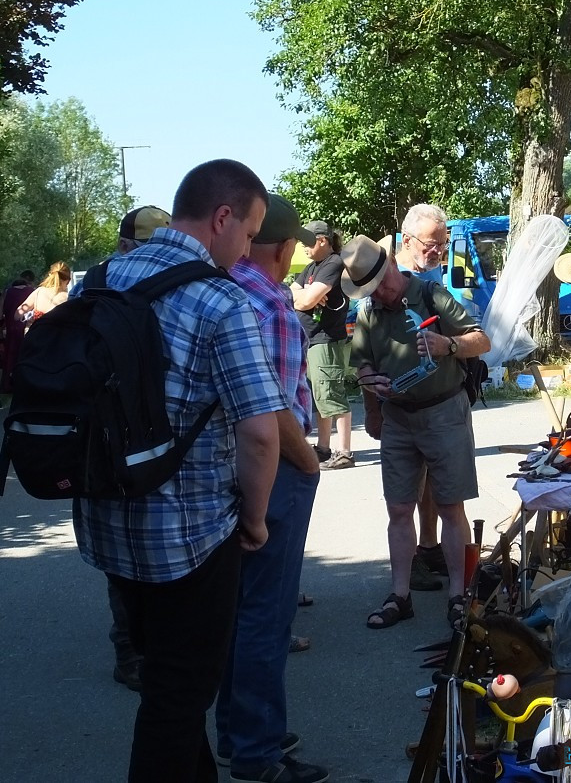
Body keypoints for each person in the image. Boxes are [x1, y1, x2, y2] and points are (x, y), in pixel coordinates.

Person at [71, 159, 287, 782]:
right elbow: (259, 431)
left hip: (109, 518)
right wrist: (253, 520)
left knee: (167, 683)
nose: (247, 249)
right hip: (189, 535)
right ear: (223, 218)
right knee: (177, 698)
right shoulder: (223, 299)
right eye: (248, 234)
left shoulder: (103, 277)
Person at [214, 193, 327, 783]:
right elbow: (275, 406)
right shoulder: (271, 303)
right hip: (276, 468)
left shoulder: (221, 288)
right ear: (284, 249)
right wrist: (309, 463)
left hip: (223, 470)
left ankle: (238, 732)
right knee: (268, 612)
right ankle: (257, 750)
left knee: (239, 608)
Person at [343, 234, 490, 629]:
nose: (383, 293)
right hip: (398, 418)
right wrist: (371, 395)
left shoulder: (431, 294)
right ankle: (400, 596)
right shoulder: (369, 311)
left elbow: (483, 340)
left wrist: (449, 345)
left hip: (444, 413)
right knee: (398, 508)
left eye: (385, 283)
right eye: (372, 290)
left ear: (394, 265)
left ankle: (458, 596)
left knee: (450, 506)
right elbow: (362, 365)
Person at [77, 204, 172, 693]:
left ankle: (130, 650)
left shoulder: (91, 280)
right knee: (158, 537)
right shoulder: (178, 284)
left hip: (96, 431)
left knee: (115, 540)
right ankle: (143, 648)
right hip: (147, 430)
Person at [392, 205, 453, 592]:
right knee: (409, 483)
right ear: (408, 240)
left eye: (441, 246)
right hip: (404, 395)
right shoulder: (390, 278)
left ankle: (429, 546)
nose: (437, 253)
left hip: (438, 393)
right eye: (431, 246)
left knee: (433, 476)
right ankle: (411, 557)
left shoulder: (429, 270)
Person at [291, 220, 354, 470]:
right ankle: (325, 449)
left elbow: (305, 302)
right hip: (312, 340)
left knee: (332, 394)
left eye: (307, 241)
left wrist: (304, 297)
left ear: (322, 240)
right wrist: (302, 296)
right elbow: (290, 293)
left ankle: (345, 452)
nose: (303, 246)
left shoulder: (333, 263)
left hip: (325, 340)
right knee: (320, 398)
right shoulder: (312, 267)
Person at [0, 270, 34, 395]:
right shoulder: (32, 292)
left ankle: (10, 385)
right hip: (29, 332)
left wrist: (0, 328)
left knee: (11, 359)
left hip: (12, 332)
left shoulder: (7, 293)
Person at [17, 261, 70, 328]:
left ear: (50, 275)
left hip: (38, 335)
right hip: (59, 336)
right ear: (67, 280)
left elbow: (17, 314)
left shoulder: (39, 292)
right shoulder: (68, 298)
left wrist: (31, 316)